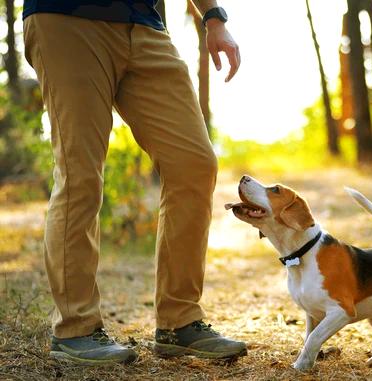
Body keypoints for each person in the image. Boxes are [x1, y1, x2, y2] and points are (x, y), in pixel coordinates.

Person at [23, 0, 245, 364]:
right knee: (80, 174)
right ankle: (75, 329)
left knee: (194, 164)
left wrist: (214, 17)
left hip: (143, 23)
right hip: (66, 17)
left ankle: (180, 321)